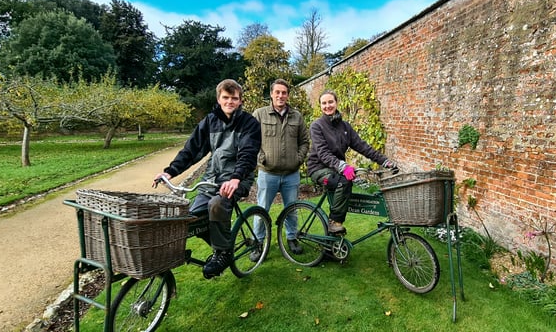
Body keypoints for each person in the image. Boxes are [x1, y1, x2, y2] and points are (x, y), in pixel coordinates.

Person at [153, 79, 261, 279]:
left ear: (240, 101)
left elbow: (248, 152)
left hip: (238, 178)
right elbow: (192, 148)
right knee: (193, 218)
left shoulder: (249, 123)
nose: (229, 102)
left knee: (217, 204)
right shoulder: (210, 121)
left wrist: (236, 178)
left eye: (234, 98)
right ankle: (222, 245)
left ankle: (223, 253)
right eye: (225, 98)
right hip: (212, 177)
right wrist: (170, 171)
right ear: (219, 99)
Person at [306, 90, 397, 234]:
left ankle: (334, 241)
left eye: (330, 102)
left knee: (345, 180)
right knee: (343, 181)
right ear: (320, 106)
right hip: (318, 169)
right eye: (324, 103)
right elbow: (323, 153)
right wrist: (343, 166)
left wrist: (385, 161)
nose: (327, 106)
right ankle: (335, 222)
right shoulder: (317, 126)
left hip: (335, 169)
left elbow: (362, 146)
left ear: (336, 103)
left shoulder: (345, 127)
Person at [251, 79, 310, 258]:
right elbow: (250, 140)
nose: (280, 96)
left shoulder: (296, 116)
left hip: (291, 174)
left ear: (288, 95)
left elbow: (305, 142)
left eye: (284, 92)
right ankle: (258, 242)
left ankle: (292, 238)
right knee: (261, 209)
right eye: (277, 92)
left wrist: (298, 159)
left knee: (291, 209)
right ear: (271, 94)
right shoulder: (260, 114)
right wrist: (261, 158)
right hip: (267, 173)